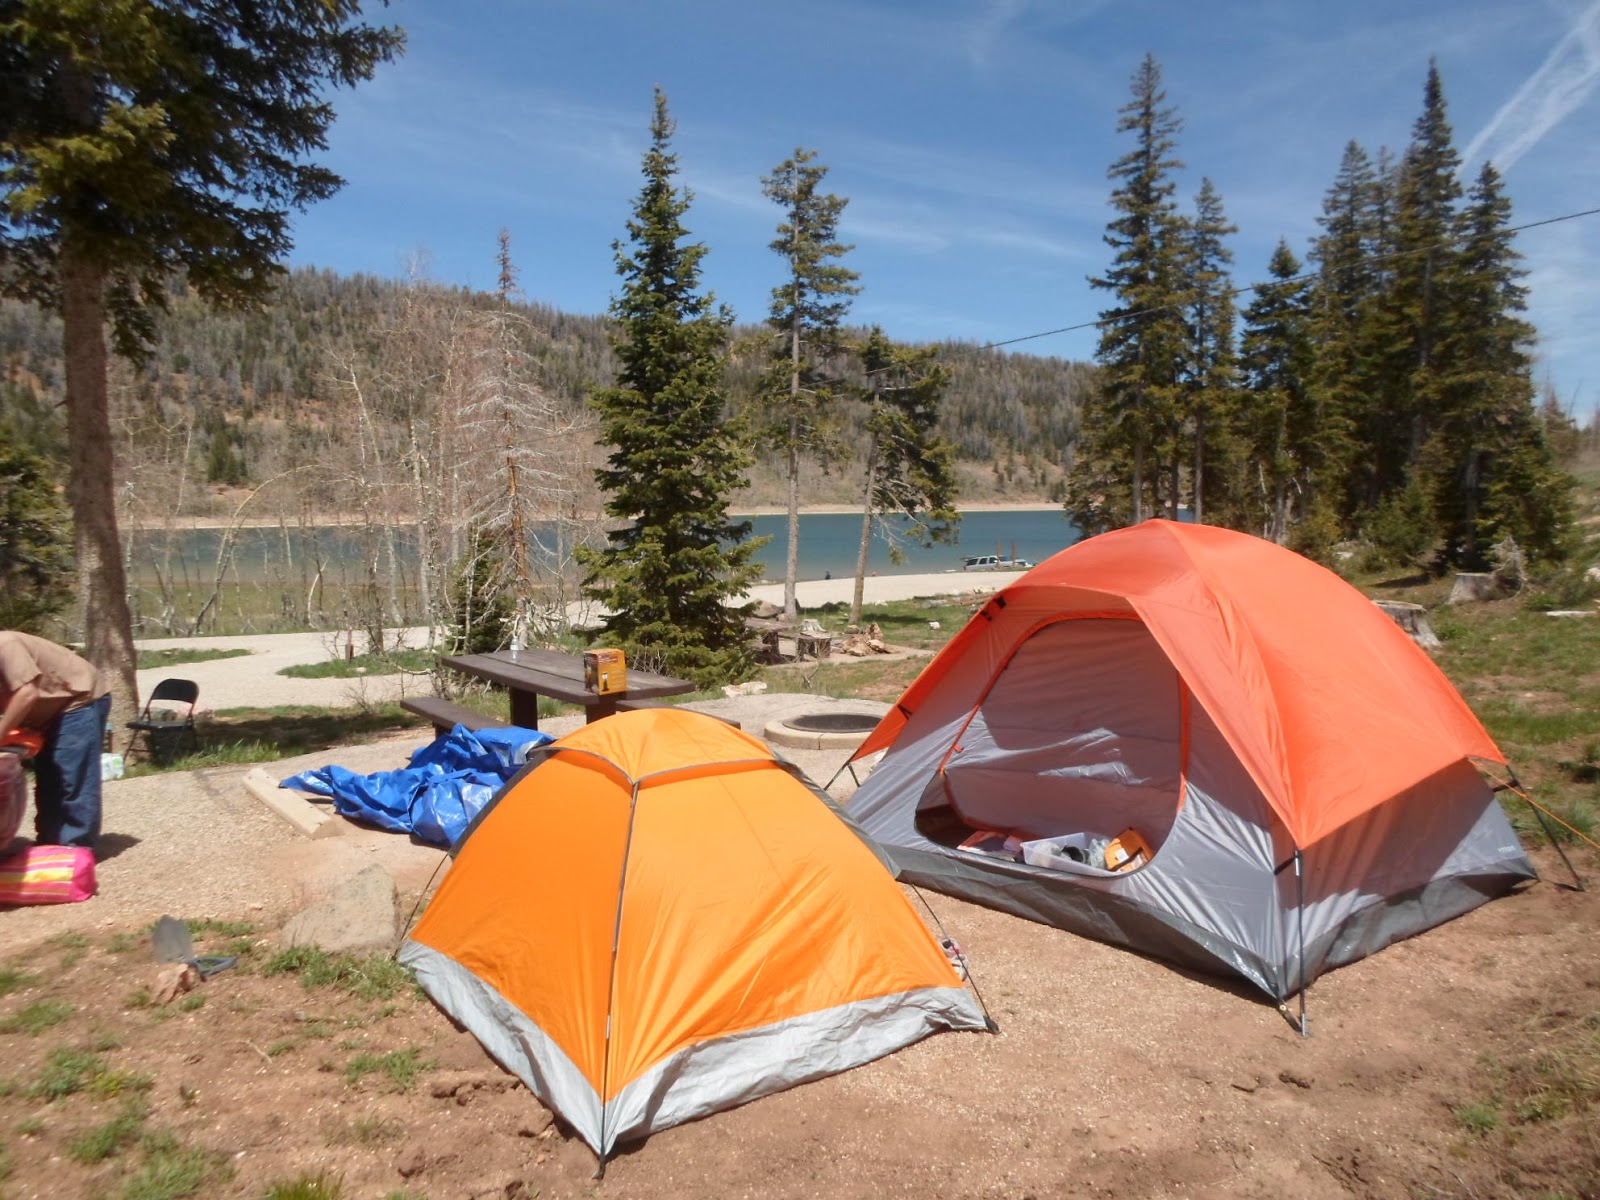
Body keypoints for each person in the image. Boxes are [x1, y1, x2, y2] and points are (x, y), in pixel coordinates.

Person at [0, 632, 111, 851]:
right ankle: (50, 842)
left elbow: (27, 693)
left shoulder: (5, 645)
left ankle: (76, 845)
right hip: (45, 711)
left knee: (71, 775)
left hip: (79, 699)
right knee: (49, 774)